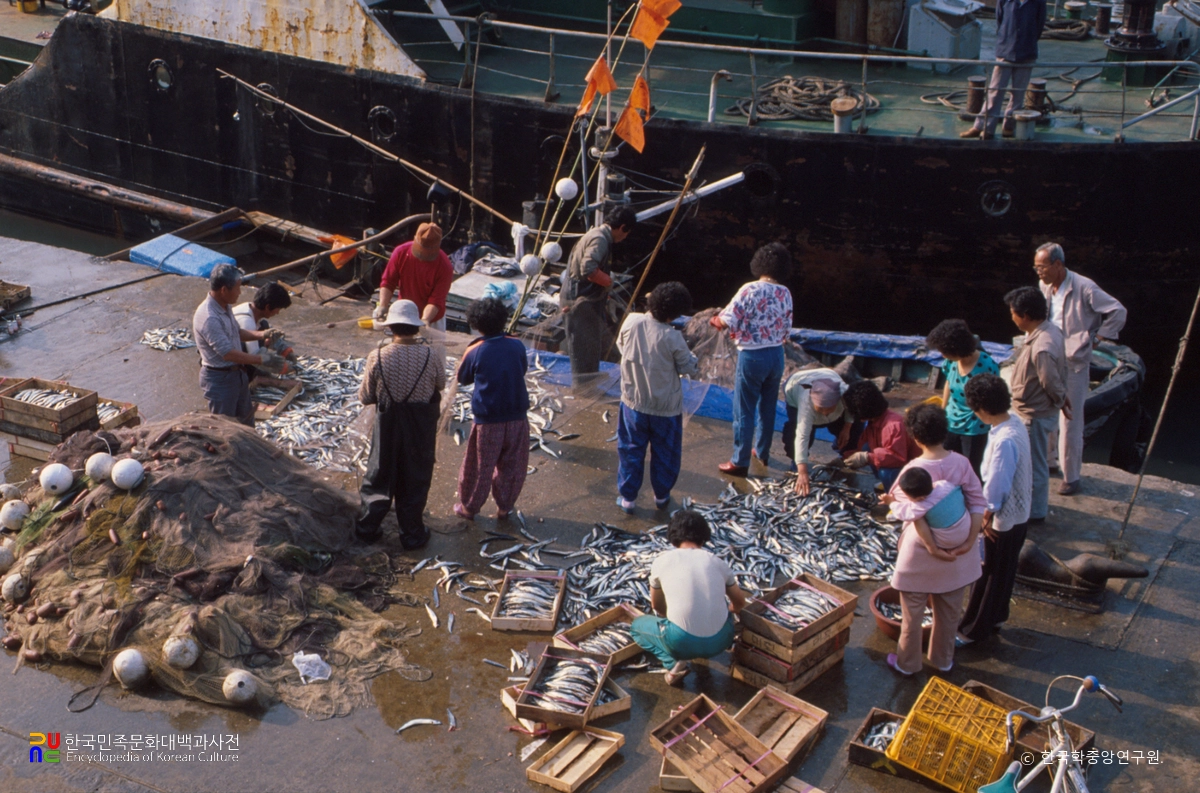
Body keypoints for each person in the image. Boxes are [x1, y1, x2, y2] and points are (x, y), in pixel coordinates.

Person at [881, 404, 984, 676]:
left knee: (912, 616)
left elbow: (903, 510)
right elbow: (977, 502)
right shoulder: (961, 463)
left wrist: (930, 546)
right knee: (949, 614)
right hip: (957, 552)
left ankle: (907, 664)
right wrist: (969, 540)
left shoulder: (912, 469)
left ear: (915, 438)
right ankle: (942, 661)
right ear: (945, 432)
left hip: (919, 554)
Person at [1035, 242, 1127, 496]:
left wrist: (1097, 338)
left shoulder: (1085, 287)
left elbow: (1118, 311)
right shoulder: (1045, 286)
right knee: (1047, 410)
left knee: (1071, 420)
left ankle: (1072, 476)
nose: (1038, 272)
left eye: (1042, 267)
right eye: (1036, 268)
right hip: (1051, 357)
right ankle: (1051, 461)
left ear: (1058, 265)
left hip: (1075, 361)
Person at [356, 300, 446, 548]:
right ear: (416, 327)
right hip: (420, 425)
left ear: (391, 327)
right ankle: (412, 534)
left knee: (380, 474)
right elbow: (440, 384)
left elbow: (365, 397)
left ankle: (367, 529)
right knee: (415, 476)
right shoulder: (430, 354)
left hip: (388, 423)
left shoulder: (378, 356)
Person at [630, 510, 747, 686]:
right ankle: (696, 646)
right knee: (720, 599)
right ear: (704, 536)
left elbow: (658, 606)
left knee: (637, 627)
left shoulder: (662, 561)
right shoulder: (717, 562)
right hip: (722, 641)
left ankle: (674, 663)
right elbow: (739, 603)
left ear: (673, 536)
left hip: (682, 642)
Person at [958, 373, 1033, 644]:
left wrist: (985, 518)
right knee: (1005, 570)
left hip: (1003, 519)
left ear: (983, 409)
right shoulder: (1014, 421)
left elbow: (997, 485)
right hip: (1020, 515)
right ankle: (997, 617)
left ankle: (972, 631)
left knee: (986, 574)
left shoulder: (1003, 441)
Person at [711, 242, 794, 477]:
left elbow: (727, 319)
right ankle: (763, 451)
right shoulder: (785, 293)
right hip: (777, 355)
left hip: (752, 355)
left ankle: (739, 460)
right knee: (767, 406)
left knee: (744, 409)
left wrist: (715, 320)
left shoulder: (750, 289)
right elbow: (787, 328)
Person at [615, 282, 699, 514]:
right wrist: (693, 357)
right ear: (674, 314)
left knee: (631, 449)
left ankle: (628, 498)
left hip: (633, 402)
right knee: (665, 453)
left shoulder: (632, 321)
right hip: (665, 409)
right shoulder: (673, 338)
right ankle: (661, 497)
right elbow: (689, 368)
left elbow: (621, 345)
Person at [453, 298, 530, 521]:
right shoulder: (516, 344)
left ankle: (469, 508)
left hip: (488, 420)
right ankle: (504, 508)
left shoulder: (475, 349)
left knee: (479, 466)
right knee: (512, 465)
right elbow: (521, 369)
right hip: (517, 417)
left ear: (476, 325)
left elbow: (463, 378)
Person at [1005, 286, 1069, 523]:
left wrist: (1062, 400)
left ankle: (1035, 513)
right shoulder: (1050, 331)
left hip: (1035, 414)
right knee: (1033, 462)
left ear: (1026, 316)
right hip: (1036, 411)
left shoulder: (1042, 345)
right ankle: (1031, 507)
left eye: (1013, 313)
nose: (1011, 317)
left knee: (1034, 465)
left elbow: (1050, 380)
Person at [191, 264, 282, 426]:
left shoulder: (225, 307)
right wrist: (261, 359)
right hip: (220, 379)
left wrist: (263, 334)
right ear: (224, 290)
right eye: (238, 288)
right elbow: (227, 353)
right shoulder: (209, 317)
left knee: (247, 426)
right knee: (226, 430)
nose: (240, 293)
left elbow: (237, 333)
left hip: (236, 375)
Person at [559, 206, 638, 379]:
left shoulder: (599, 235)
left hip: (587, 298)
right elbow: (588, 268)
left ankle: (590, 377)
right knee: (582, 343)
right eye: (626, 233)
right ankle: (582, 386)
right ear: (623, 227)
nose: (624, 238)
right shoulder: (599, 239)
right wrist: (608, 282)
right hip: (579, 299)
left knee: (591, 341)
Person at [961, 0, 1047, 139]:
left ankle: (1009, 127)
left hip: (1026, 52)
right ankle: (982, 127)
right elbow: (1000, 20)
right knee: (995, 92)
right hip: (1005, 51)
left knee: (1018, 95)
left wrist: (1027, 40)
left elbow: (1039, 25)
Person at [925, 319, 1000, 476]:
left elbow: (992, 401)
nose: (942, 354)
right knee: (948, 466)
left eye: (944, 350)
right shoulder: (950, 362)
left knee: (971, 470)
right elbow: (949, 382)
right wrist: (943, 410)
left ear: (956, 348)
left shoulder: (987, 366)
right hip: (951, 421)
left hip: (975, 427)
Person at [839, 380, 920, 490]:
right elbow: (861, 445)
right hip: (901, 462)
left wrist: (867, 457)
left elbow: (898, 458)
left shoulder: (893, 425)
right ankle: (889, 483)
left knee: (886, 472)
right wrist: (843, 459)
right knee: (866, 447)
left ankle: (898, 492)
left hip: (915, 470)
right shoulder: (874, 421)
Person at [373, 222, 454, 331]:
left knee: (432, 347)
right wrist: (382, 305)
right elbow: (388, 282)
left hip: (433, 319)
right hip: (405, 314)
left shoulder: (445, 266)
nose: (422, 256)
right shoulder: (400, 252)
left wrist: (425, 320)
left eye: (427, 253)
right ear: (415, 239)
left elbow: (436, 300)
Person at [781, 368, 848, 496]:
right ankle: (796, 463)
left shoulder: (844, 393)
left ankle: (845, 455)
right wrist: (803, 472)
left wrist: (847, 428)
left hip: (828, 376)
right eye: (820, 410)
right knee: (794, 434)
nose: (825, 414)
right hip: (796, 384)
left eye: (828, 410)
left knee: (852, 430)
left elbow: (853, 409)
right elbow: (802, 436)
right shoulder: (806, 404)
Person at [888, 468, 971, 561]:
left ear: (920, 498)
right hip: (966, 530)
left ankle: (933, 549)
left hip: (948, 541)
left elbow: (903, 514)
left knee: (916, 518)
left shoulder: (922, 505)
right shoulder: (945, 485)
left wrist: (891, 502)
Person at [233, 283, 294, 380]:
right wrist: (279, 365)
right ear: (268, 307)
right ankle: (246, 375)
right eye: (278, 309)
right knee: (246, 348)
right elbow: (254, 355)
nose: (277, 313)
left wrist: (283, 349)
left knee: (264, 325)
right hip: (226, 359)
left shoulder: (252, 308)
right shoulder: (246, 321)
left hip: (244, 341)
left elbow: (270, 335)